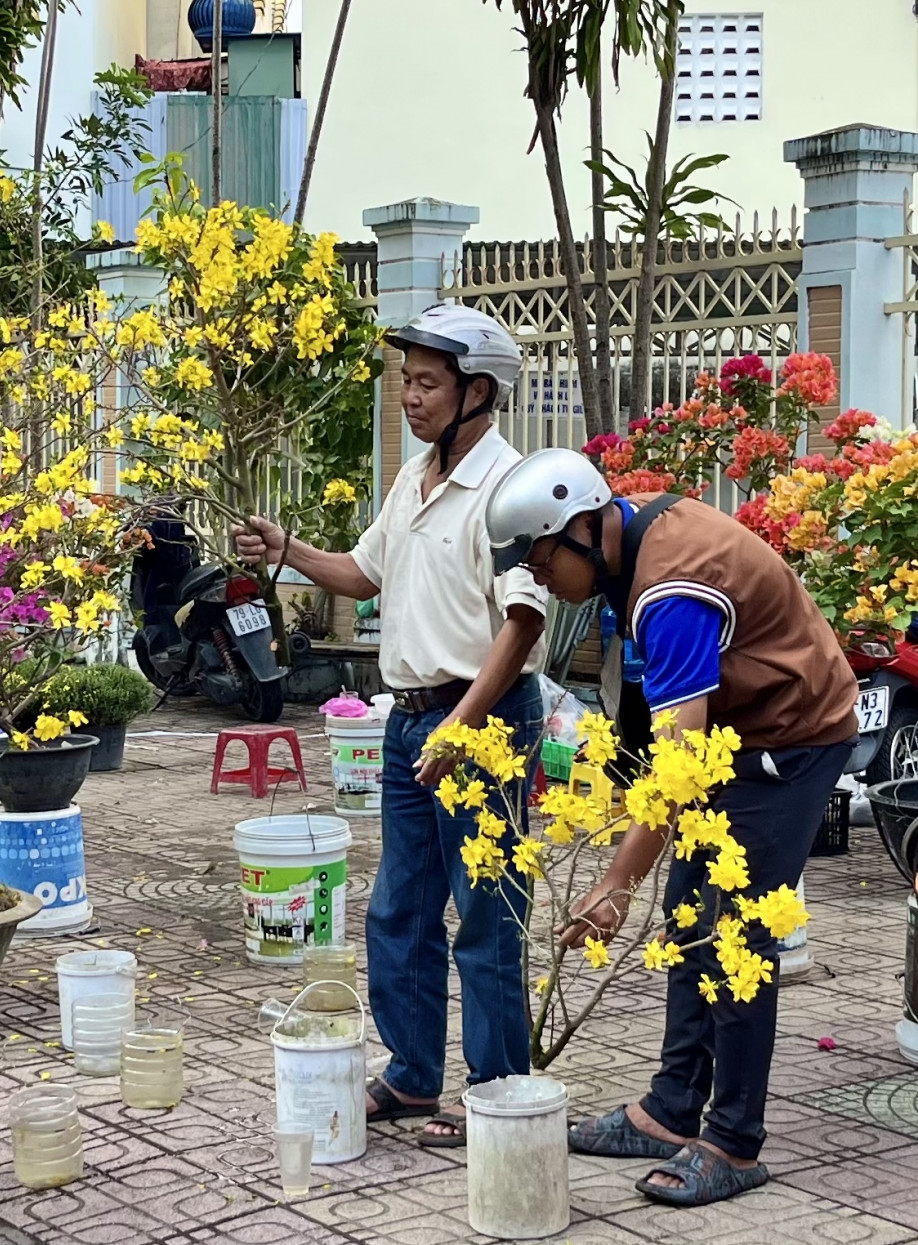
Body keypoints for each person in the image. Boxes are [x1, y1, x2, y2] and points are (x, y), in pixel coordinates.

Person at [483, 447, 857, 1207]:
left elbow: (679, 764)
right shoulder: (627, 530)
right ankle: (669, 1109)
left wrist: (616, 881)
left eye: (540, 556)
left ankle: (733, 1140)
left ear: (583, 528)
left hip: (793, 734)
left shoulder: (671, 589)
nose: (537, 576)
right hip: (739, 732)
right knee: (691, 916)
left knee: (733, 930)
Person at [235, 304, 548, 1148]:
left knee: (486, 915)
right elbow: (363, 572)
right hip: (408, 722)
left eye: (426, 382)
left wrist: (463, 727)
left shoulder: (508, 491)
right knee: (398, 911)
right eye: (405, 380)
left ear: (477, 391)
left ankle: (494, 1090)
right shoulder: (413, 479)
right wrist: (288, 549)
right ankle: (414, 1076)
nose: (408, 396)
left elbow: (522, 626)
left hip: (479, 721)